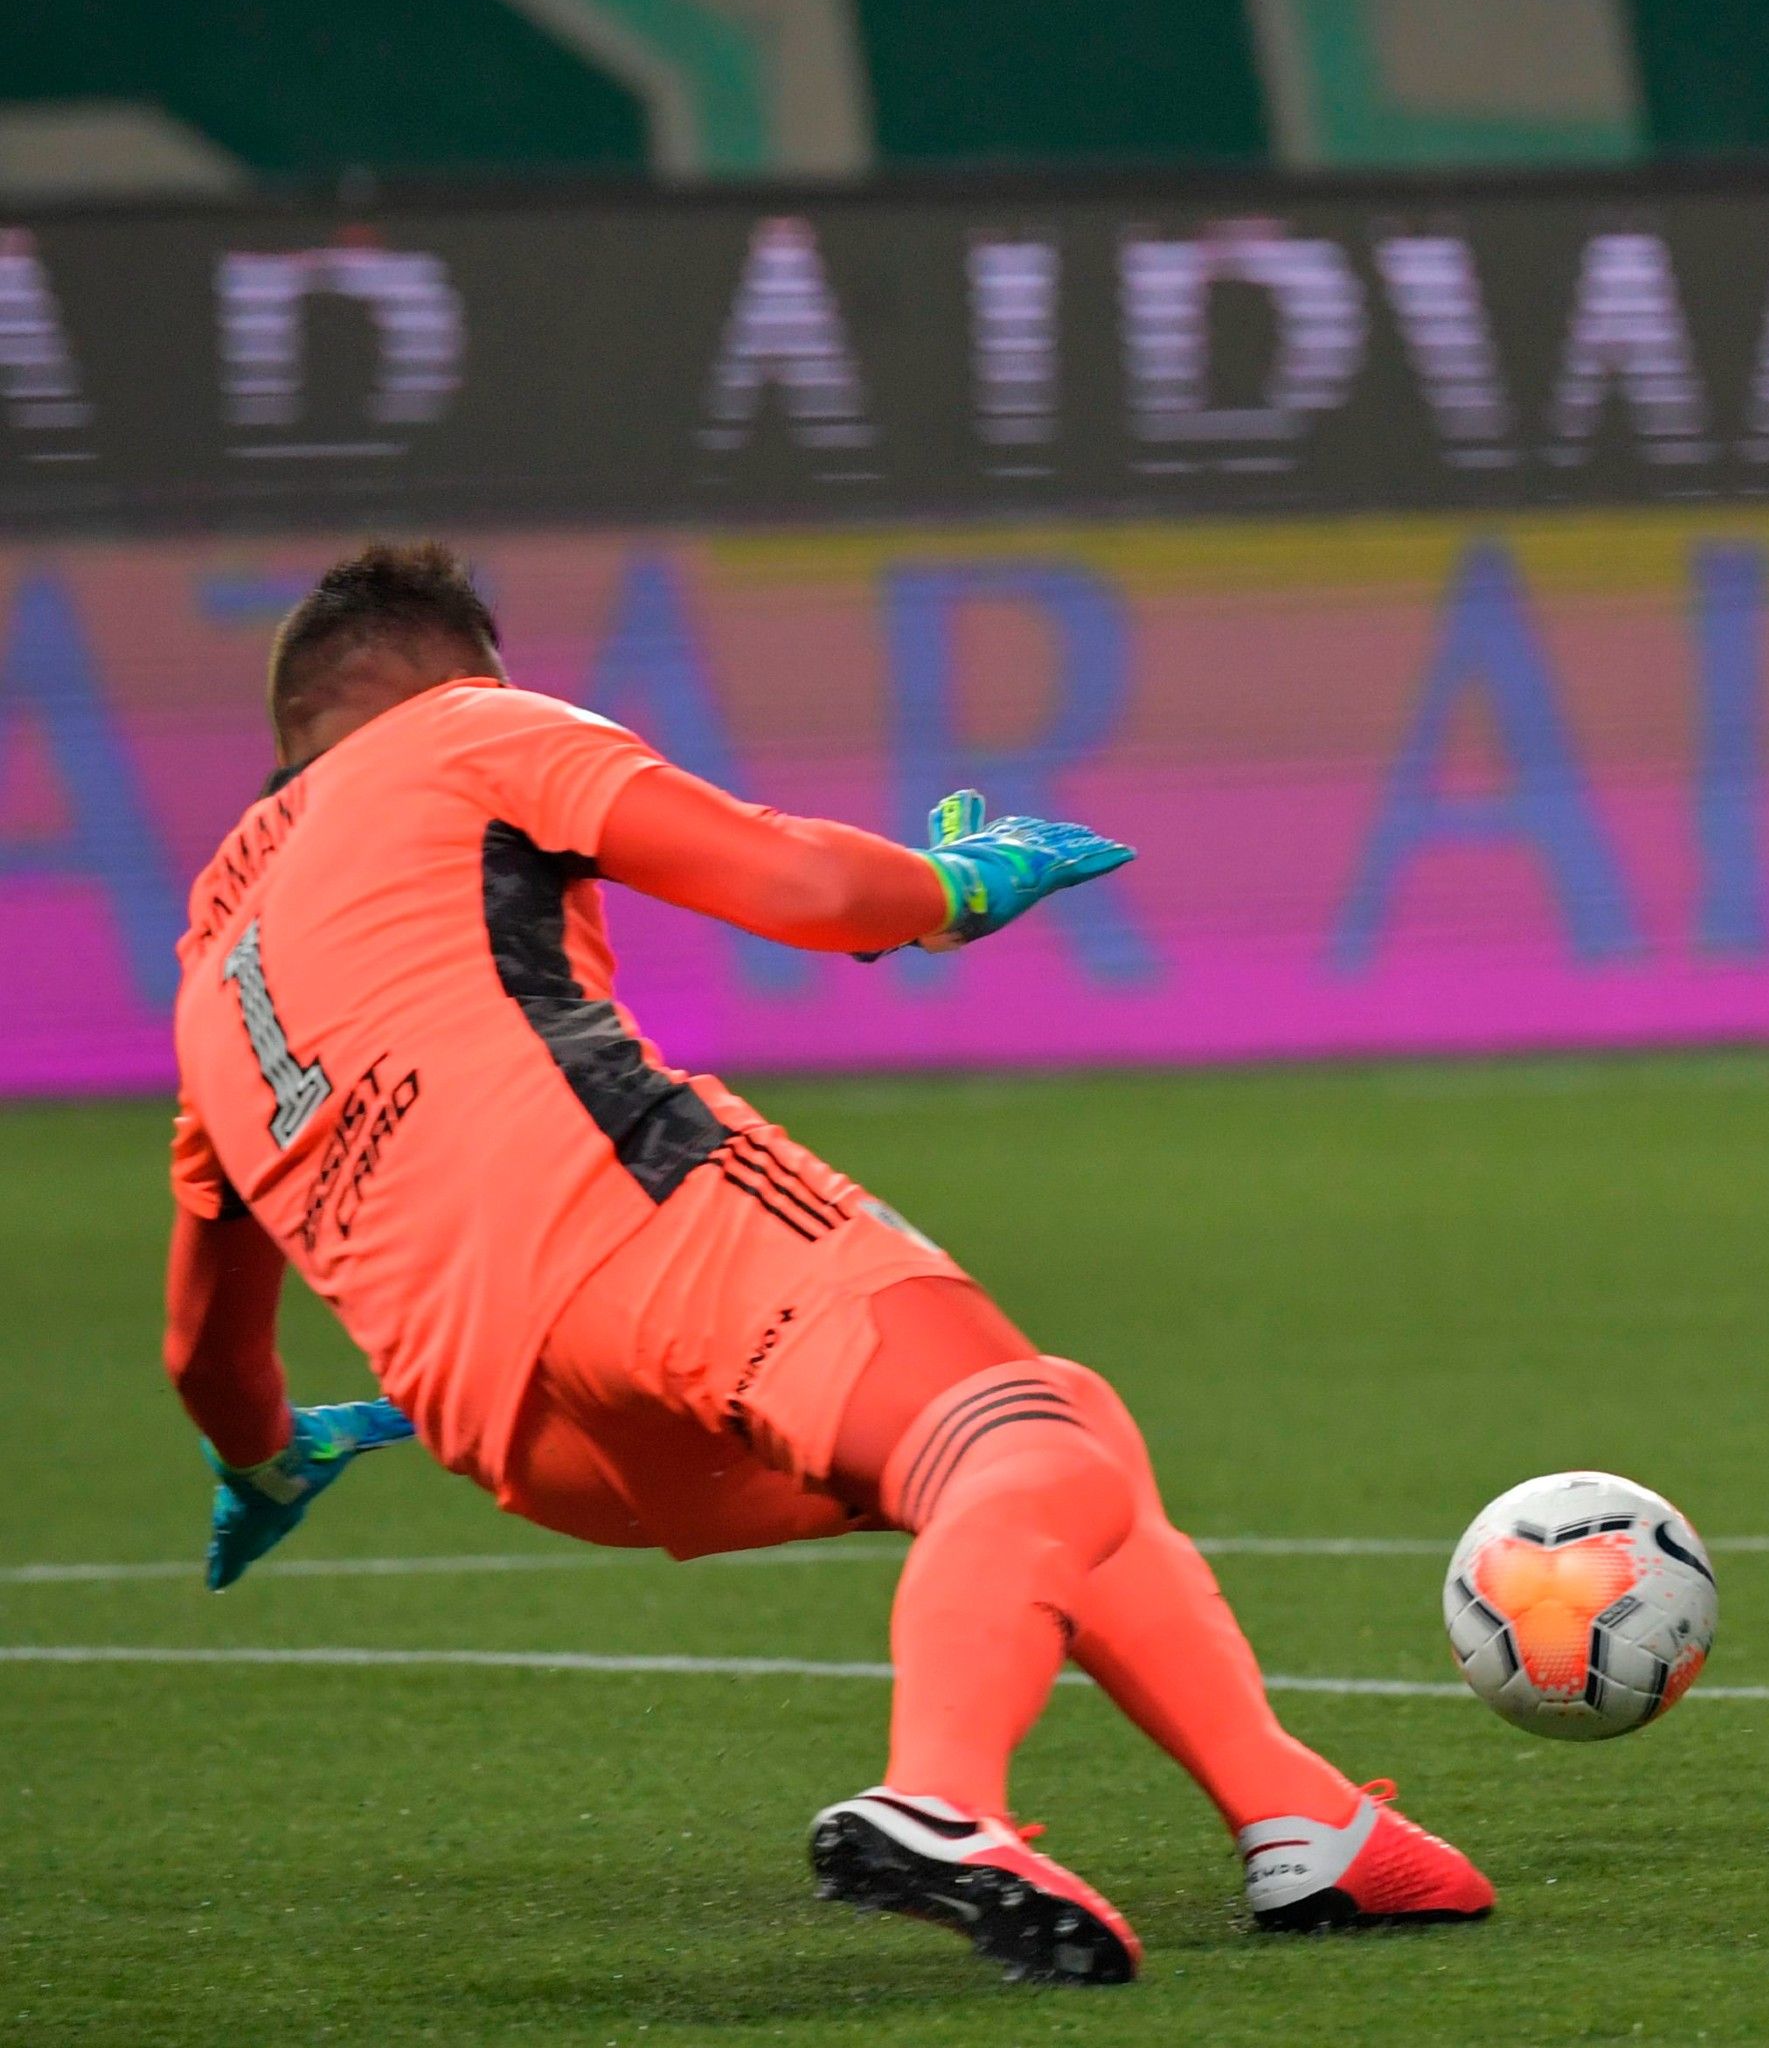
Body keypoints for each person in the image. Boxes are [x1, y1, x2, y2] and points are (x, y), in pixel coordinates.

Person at [162, 543, 1493, 1983]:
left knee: (1064, 1416)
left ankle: (1298, 1821)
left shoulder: (209, 979)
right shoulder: (471, 728)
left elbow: (209, 1357)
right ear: (454, 671)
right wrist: (948, 883)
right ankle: (941, 1801)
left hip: (529, 1439)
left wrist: (270, 1460)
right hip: (637, 1219)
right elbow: (804, 885)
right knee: (1025, 1450)